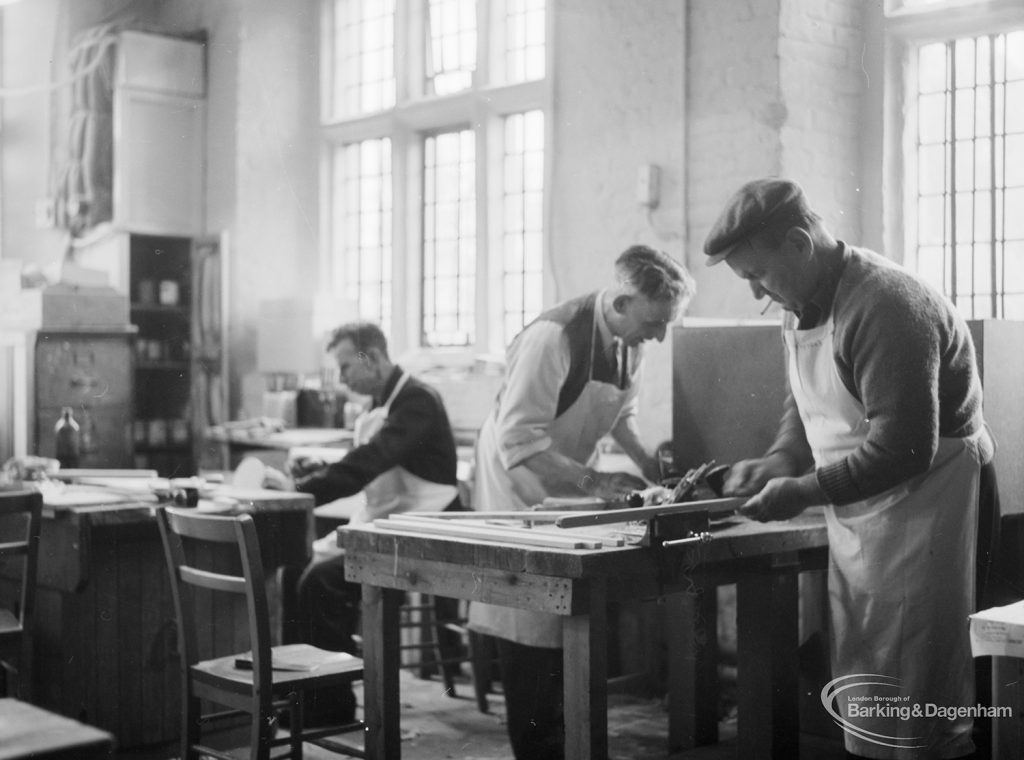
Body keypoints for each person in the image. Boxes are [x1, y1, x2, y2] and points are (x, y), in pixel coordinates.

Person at [705, 177, 998, 760]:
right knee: (872, 677)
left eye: (757, 275)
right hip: (868, 505)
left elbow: (905, 448)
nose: (756, 293)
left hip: (931, 498)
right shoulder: (800, 301)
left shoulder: (885, 304)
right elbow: (805, 400)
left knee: (922, 690)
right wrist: (781, 458)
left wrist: (801, 491)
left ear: (799, 242)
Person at [467, 244, 696, 760]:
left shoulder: (629, 340)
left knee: (565, 616)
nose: (659, 336)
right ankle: (538, 747)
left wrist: (648, 461)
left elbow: (619, 415)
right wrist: (596, 484)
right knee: (529, 619)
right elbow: (519, 443)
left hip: (564, 479)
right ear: (620, 301)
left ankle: (567, 741)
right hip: (516, 483)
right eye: (655, 322)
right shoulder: (553, 337)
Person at [286, 321, 462, 727]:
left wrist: (302, 491)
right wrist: (318, 470)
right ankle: (307, 693)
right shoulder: (380, 401)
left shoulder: (417, 401)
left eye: (347, 366)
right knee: (296, 567)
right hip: (390, 524)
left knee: (321, 582)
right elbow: (371, 460)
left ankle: (330, 706)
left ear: (376, 358)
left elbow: (371, 461)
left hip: (427, 530)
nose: (343, 378)